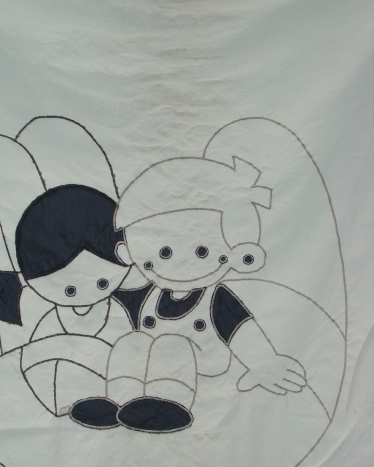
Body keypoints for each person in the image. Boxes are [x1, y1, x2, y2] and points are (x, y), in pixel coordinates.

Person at [70, 156, 307, 433]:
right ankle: (120, 404)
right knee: (131, 341)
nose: (178, 263)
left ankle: (169, 405)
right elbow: (109, 296)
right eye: (164, 253)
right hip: (150, 361)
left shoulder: (215, 298)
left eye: (201, 251)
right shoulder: (146, 294)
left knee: (172, 345)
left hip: (201, 356)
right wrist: (84, 301)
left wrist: (263, 362)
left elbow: (239, 328)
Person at [0, 184, 132, 417]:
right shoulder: (51, 320)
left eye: (101, 283)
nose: (84, 295)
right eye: (69, 290)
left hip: (112, 396)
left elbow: (128, 356)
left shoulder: (117, 313)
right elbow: (35, 362)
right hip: (60, 397)